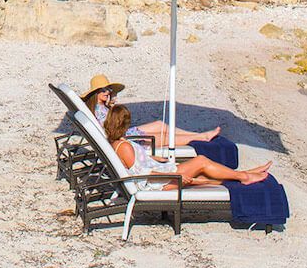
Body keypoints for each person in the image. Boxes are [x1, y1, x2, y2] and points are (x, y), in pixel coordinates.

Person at [104, 104, 270, 187]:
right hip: (159, 183)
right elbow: (142, 172)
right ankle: (244, 177)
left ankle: (243, 174)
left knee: (206, 175)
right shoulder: (123, 146)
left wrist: (152, 157)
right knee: (201, 161)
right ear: (124, 124)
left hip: (161, 175)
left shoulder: (119, 143)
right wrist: (173, 176)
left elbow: (136, 164)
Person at [81, 73, 219, 149]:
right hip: (125, 139)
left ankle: (197, 134)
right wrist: (113, 108)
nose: (106, 92)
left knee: (160, 125)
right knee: (164, 137)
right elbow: (114, 127)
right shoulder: (99, 110)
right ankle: (200, 137)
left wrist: (110, 105)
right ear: (95, 93)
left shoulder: (99, 107)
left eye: (108, 89)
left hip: (127, 134)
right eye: (103, 90)